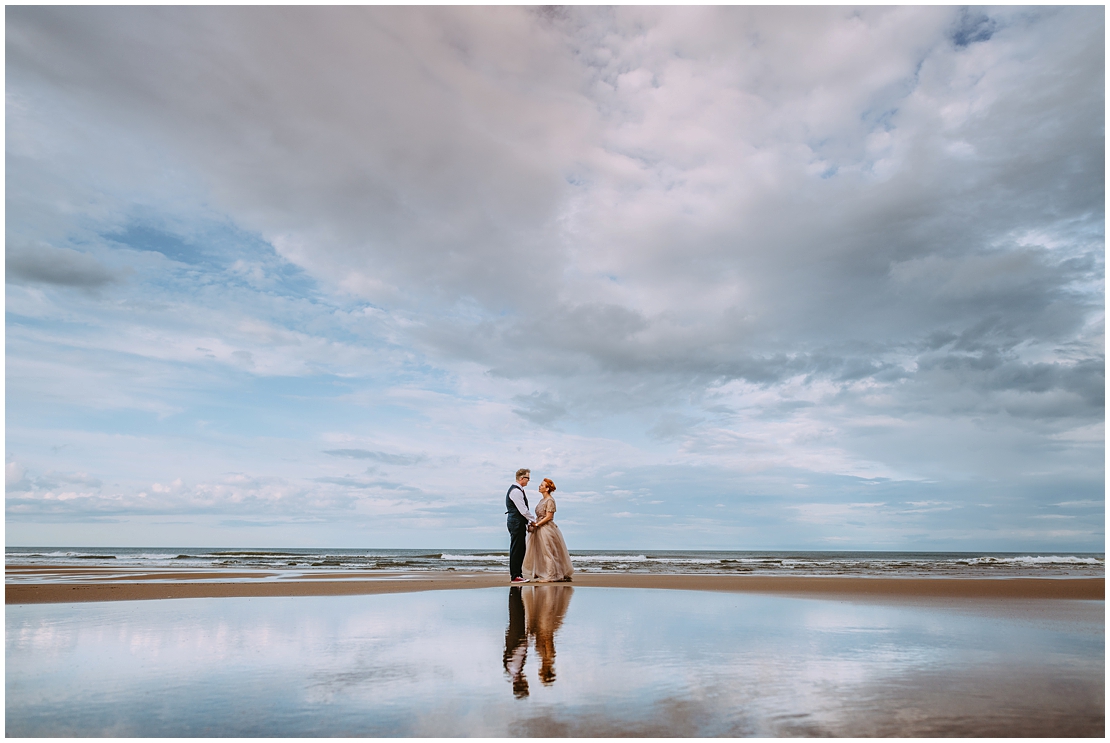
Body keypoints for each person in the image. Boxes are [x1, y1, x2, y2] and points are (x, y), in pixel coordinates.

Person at [522, 478, 573, 582]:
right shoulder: (542, 500)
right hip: (539, 527)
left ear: (547, 488)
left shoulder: (550, 500)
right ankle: (543, 572)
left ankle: (551, 576)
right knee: (540, 551)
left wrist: (537, 524)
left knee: (548, 551)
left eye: (542, 485)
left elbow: (549, 516)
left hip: (546, 528)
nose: (539, 486)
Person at [505, 468, 536, 583]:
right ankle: (515, 576)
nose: (529, 480)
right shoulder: (516, 491)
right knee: (517, 549)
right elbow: (523, 510)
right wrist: (533, 520)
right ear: (522, 478)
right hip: (516, 522)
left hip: (517, 522)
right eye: (528, 478)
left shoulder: (518, 490)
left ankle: (518, 574)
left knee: (520, 549)